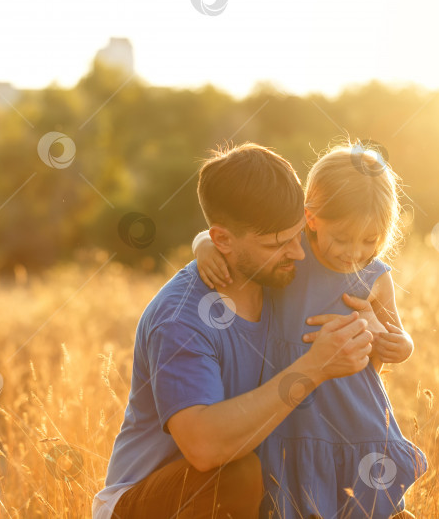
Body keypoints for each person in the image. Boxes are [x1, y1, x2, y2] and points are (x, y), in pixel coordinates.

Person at [92, 143, 377, 519]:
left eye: (298, 235)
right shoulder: (180, 319)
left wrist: (371, 327)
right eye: (277, 243)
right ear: (222, 240)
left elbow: (354, 243)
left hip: (254, 486)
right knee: (238, 476)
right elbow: (204, 448)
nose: (299, 253)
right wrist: (315, 367)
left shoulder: (281, 272)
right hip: (154, 499)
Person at [194, 140, 428, 518]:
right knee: (295, 500)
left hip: (354, 411)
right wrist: (203, 243)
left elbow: (398, 341)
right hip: (292, 412)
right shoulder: (291, 251)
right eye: (342, 238)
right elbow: (229, 235)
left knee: (368, 502)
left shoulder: (375, 277)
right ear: (311, 218)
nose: (354, 252)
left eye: (370, 240)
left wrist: (392, 342)